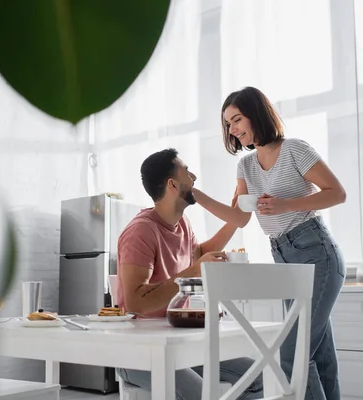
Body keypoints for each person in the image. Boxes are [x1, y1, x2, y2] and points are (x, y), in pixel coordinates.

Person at [193, 86, 346, 400]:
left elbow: (337, 193)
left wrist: (284, 205)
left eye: (237, 120)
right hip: (283, 257)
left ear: (256, 114)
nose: (233, 130)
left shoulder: (294, 150)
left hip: (316, 252)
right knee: (317, 353)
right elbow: (240, 218)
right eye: (228, 125)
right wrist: (196, 196)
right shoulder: (246, 167)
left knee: (293, 354)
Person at [115, 148, 263, 400]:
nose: (193, 177)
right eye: (187, 172)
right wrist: (194, 271)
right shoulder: (141, 231)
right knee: (201, 395)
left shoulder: (182, 224)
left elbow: (201, 252)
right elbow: (135, 302)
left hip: (180, 345)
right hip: (140, 353)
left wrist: (237, 217)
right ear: (172, 184)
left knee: (257, 377)